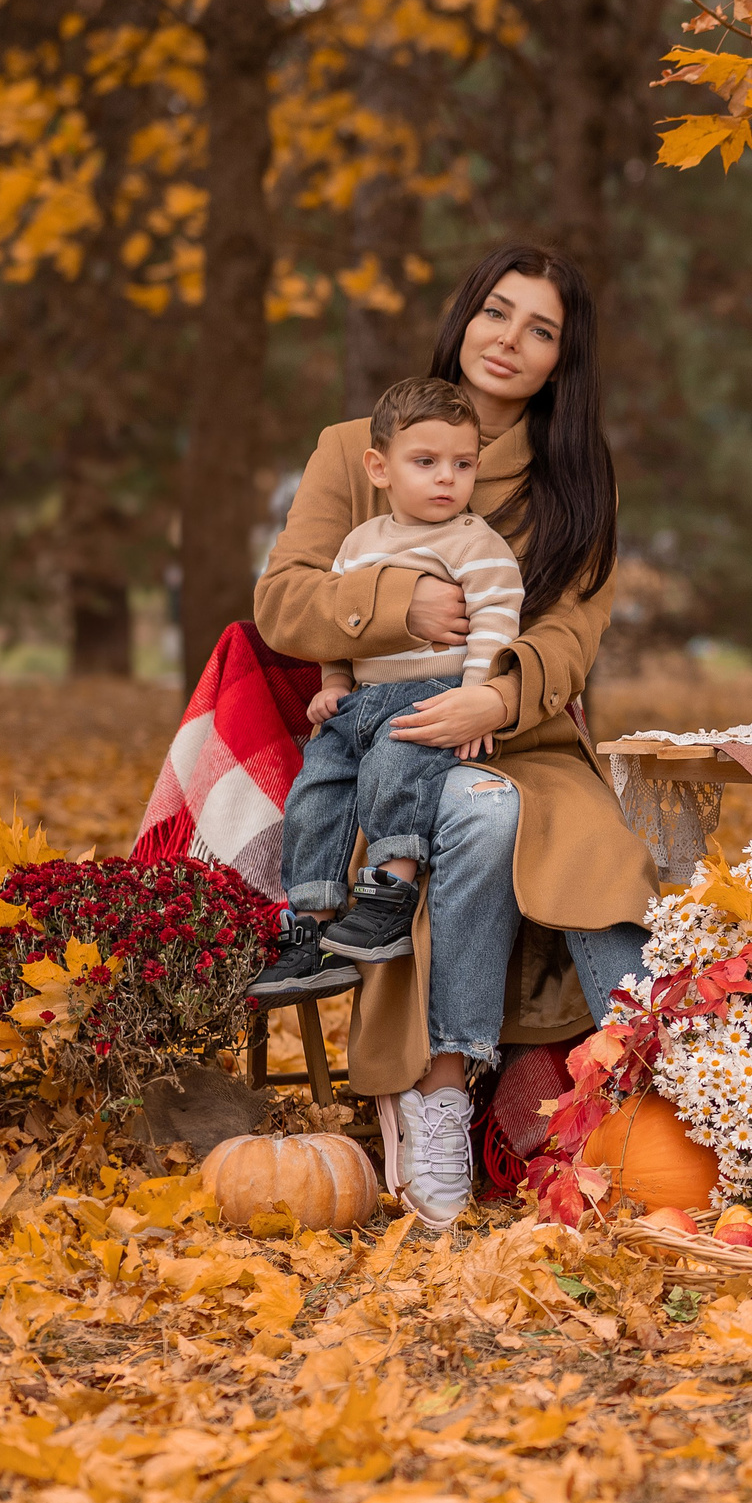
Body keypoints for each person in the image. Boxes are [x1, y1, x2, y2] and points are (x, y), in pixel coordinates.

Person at [254, 244, 658, 1230]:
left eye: (541, 330)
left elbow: (570, 635)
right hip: (388, 737)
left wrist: (499, 695)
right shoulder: (358, 446)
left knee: (591, 846)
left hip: (516, 732)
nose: (509, 341)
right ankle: (438, 1097)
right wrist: (400, 604)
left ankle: (650, 1089)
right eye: (496, 312)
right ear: (463, 315)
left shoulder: (573, 478)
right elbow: (284, 600)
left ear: (564, 360)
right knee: (476, 812)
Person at [252, 379, 525, 993]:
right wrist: (334, 680)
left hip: (432, 694)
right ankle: (313, 926)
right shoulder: (360, 545)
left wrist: (478, 696)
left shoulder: (475, 543)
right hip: (357, 704)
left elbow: (497, 621)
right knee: (317, 788)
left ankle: (389, 897)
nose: (446, 479)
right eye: (425, 463)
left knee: (393, 774)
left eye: (462, 464)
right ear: (380, 467)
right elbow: (338, 629)